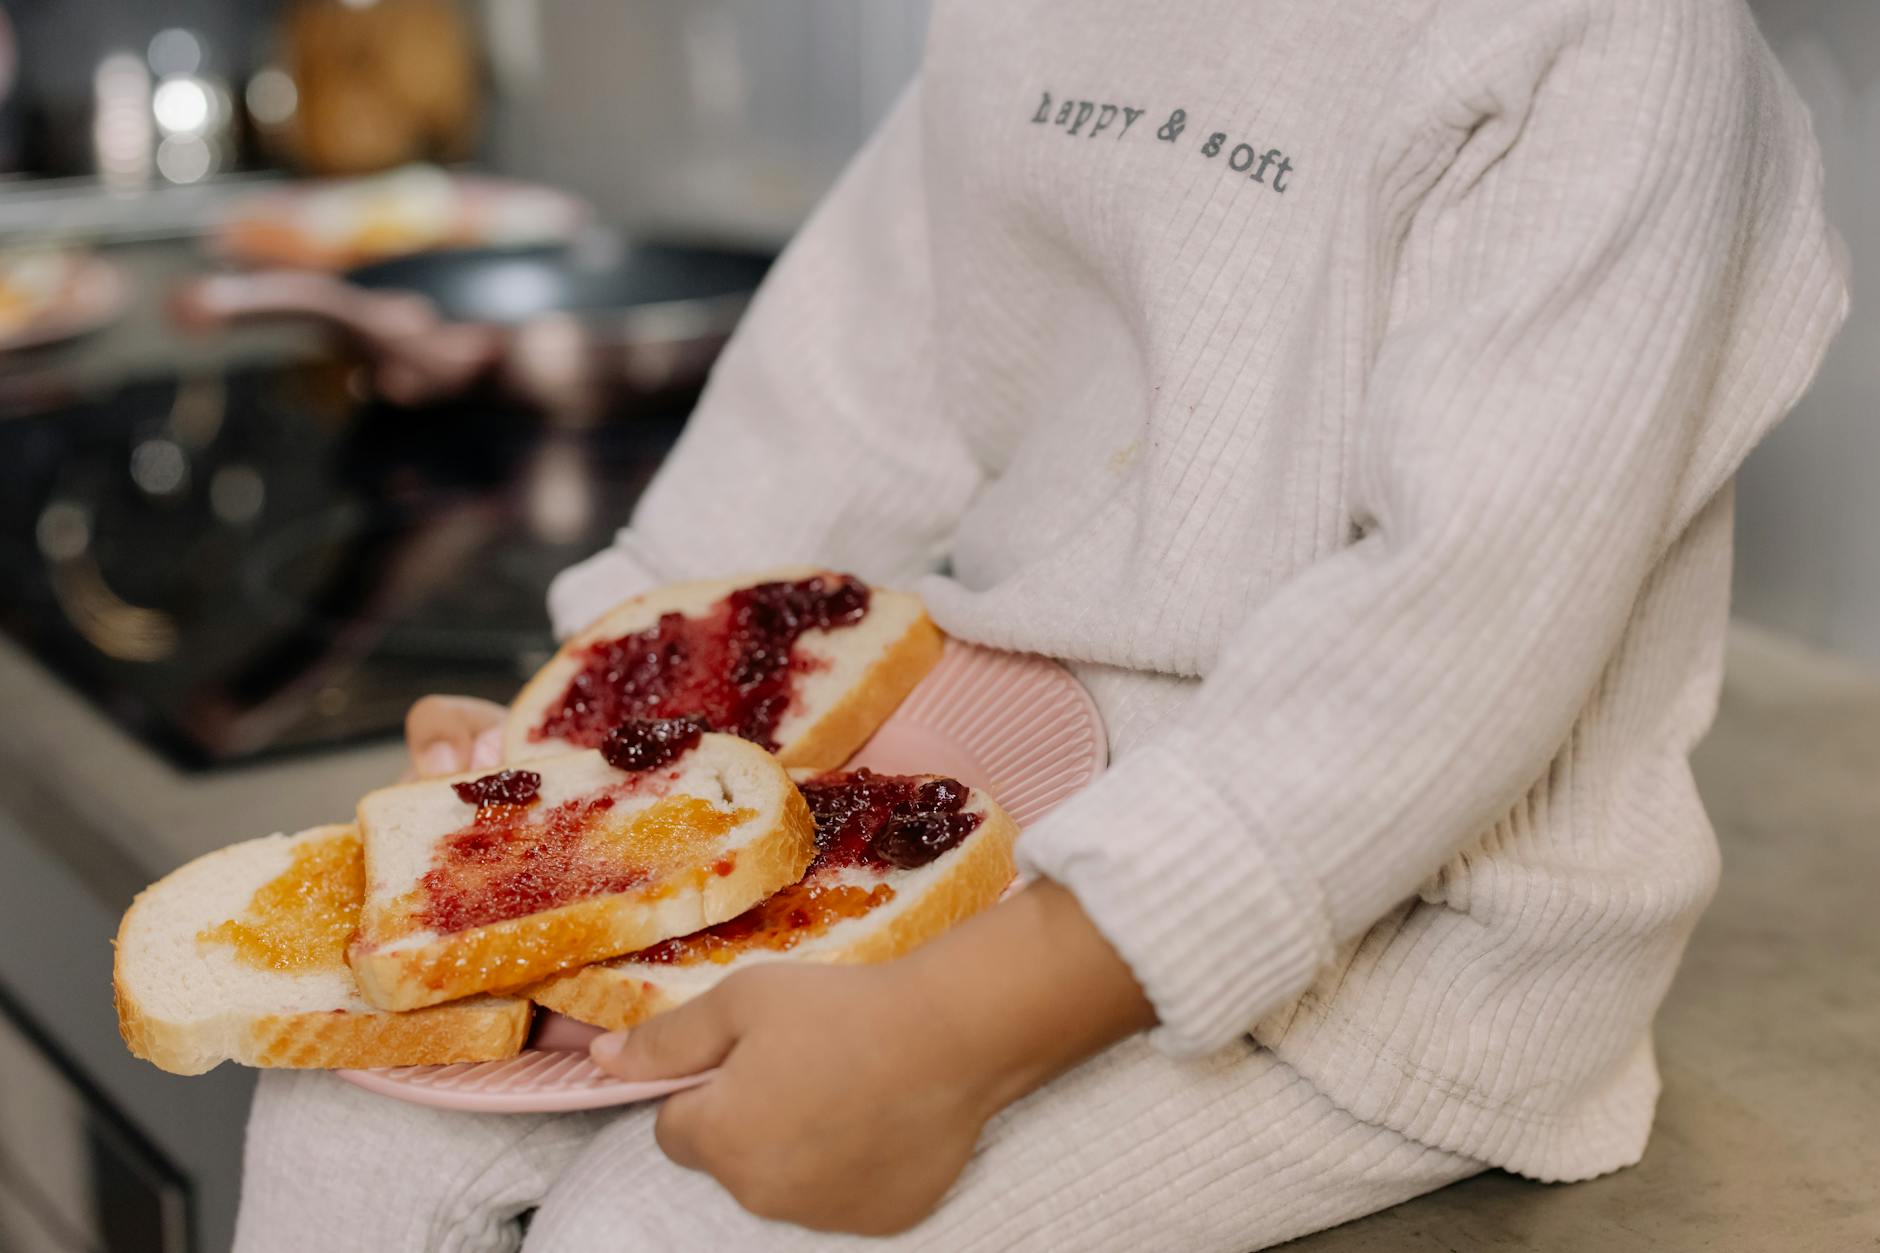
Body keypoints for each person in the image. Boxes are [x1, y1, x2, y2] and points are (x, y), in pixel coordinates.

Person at [234, 0, 1848, 1248]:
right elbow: (857, 390)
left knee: (668, 1224)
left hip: (1404, 960)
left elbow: (1454, 638)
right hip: (1009, 806)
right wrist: (576, 751)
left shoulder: (1623, 44)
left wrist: (949, 1038)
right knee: (337, 1123)